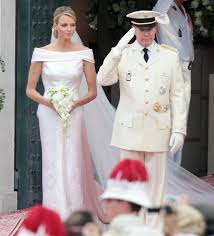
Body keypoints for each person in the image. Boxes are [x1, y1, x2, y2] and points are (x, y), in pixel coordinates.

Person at [97, 10, 187, 228]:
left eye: (149, 29)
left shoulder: (169, 55)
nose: (145, 34)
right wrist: (117, 49)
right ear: (134, 29)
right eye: (140, 29)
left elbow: (178, 95)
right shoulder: (124, 53)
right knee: (130, 185)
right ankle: (131, 228)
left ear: (155, 29)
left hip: (158, 128)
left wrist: (179, 130)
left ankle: (154, 229)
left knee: (156, 186)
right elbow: (102, 79)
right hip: (129, 130)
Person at [26, 6, 107, 222]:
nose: (69, 29)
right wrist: (49, 102)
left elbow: (92, 91)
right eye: (64, 25)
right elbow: (30, 89)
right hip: (48, 113)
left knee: (72, 160)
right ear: (55, 26)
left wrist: (74, 103)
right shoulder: (41, 53)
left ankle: (74, 213)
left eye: (72, 25)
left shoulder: (84, 54)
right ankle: (54, 213)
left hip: (74, 111)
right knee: (53, 161)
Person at [153, 0, 194, 165]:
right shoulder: (164, 7)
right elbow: (157, 13)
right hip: (171, 69)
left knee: (180, 123)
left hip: (185, 68)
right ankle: (167, 174)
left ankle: (175, 171)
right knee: (168, 123)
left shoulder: (182, 9)